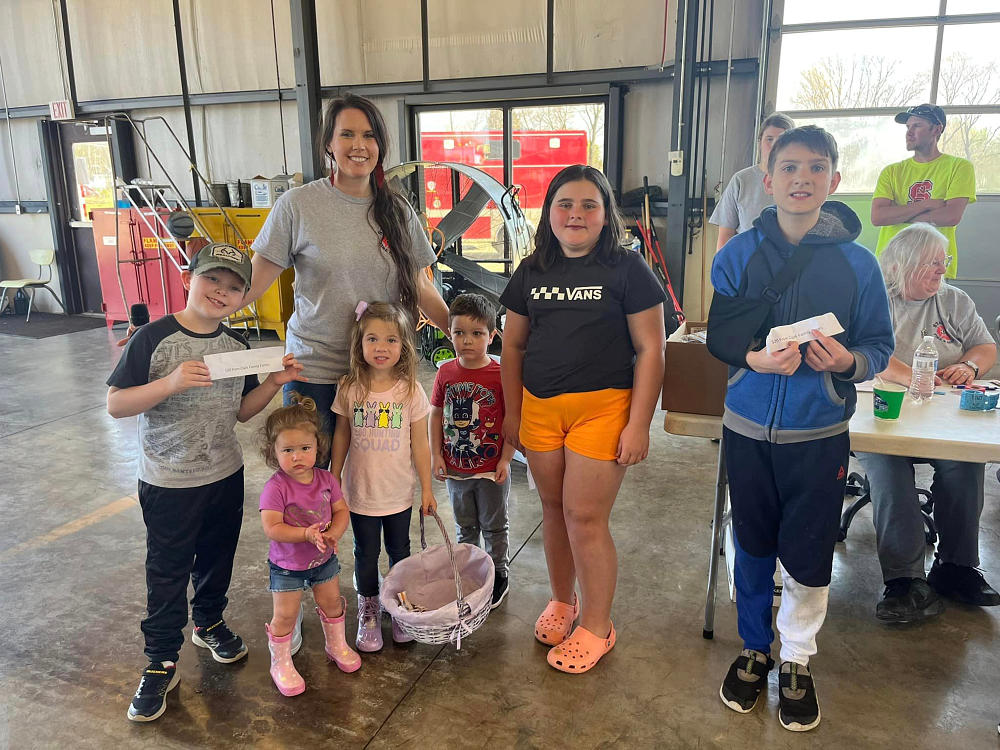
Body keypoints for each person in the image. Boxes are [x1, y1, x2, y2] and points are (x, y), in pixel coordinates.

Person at [709, 126, 894, 731]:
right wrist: (754, 359)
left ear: (834, 181)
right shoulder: (737, 255)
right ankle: (754, 647)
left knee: (810, 548)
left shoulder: (859, 265)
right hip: (745, 427)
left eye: (816, 168)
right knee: (752, 542)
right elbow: (722, 336)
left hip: (818, 434)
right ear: (768, 181)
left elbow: (878, 345)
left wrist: (846, 363)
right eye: (789, 167)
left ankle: (796, 657)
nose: (802, 179)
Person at [107, 243, 305, 722]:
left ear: (243, 297)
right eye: (212, 279)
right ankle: (161, 660)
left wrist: (273, 383)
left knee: (217, 557)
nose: (221, 291)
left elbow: (241, 412)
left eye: (234, 286)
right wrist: (170, 383)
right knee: (168, 569)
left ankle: (209, 621)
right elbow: (116, 404)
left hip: (223, 474)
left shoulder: (236, 347)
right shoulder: (153, 338)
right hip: (169, 481)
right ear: (188, 279)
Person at [499, 165, 666, 675]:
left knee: (585, 518)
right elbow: (512, 345)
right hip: (540, 408)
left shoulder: (627, 268)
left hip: (604, 409)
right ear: (548, 213)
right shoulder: (532, 270)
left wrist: (639, 424)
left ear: (606, 214)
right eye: (565, 204)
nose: (576, 214)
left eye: (589, 205)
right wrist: (513, 413)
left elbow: (652, 349)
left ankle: (597, 625)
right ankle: (562, 600)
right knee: (553, 510)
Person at [248, 93, 449, 460]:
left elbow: (421, 285)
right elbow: (253, 282)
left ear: (380, 145)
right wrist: (199, 314)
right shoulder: (297, 205)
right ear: (329, 143)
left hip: (380, 371)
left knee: (375, 476)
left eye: (369, 135)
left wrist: (462, 332)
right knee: (312, 477)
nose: (359, 145)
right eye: (347, 134)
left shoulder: (398, 211)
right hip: (314, 371)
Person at [856, 223, 998, 624]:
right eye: (932, 262)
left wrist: (970, 367)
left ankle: (956, 567)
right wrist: (914, 376)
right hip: (882, 416)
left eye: (943, 261)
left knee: (965, 464)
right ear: (902, 264)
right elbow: (869, 352)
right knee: (888, 471)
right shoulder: (875, 299)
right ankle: (905, 581)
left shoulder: (954, 301)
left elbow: (985, 346)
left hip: (942, 419)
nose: (942, 269)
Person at [331, 301, 436, 652]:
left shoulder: (411, 390)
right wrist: (333, 478)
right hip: (360, 493)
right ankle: (370, 609)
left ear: (403, 346)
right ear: (359, 344)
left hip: (398, 494)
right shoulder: (349, 387)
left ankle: (400, 606)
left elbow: (420, 444)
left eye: (391, 340)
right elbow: (341, 434)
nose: (381, 347)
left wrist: (427, 489)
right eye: (372, 338)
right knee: (365, 552)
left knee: (400, 551)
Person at [259, 395, 360, 697]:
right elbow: (272, 527)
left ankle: (336, 645)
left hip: (323, 561)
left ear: (318, 446)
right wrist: (305, 534)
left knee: (332, 603)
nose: (297, 456)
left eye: (305, 448)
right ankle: (280, 662)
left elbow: (341, 511)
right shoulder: (275, 487)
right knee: (285, 616)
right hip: (287, 566)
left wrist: (333, 534)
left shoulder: (327, 479)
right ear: (273, 452)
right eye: (288, 450)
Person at [430, 293, 516, 609]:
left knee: (494, 525)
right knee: (465, 527)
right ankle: (468, 573)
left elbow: (512, 418)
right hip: (456, 471)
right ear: (449, 333)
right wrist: (436, 455)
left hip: (492, 471)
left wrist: (506, 458)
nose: (467, 340)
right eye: (459, 333)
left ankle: (498, 573)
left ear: (492, 336)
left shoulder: (500, 373)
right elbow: (435, 414)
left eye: (477, 333)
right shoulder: (445, 372)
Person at [872, 103, 976, 279]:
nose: (909, 132)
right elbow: (878, 217)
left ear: (936, 129)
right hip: (892, 265)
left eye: (917, 126)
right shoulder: (891, 171)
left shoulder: (959, 167)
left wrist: (898, 216)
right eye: (908, 127)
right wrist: (926, 205)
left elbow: (951, 216)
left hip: (934, 266)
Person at [710, 112, 796, 251]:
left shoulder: (800, 182)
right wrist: (722, 264)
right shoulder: (741, 180)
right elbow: (725, 235)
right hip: (748, 260)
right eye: (769, 139)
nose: (775, 145)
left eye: (781, 140)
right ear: (760, 142)